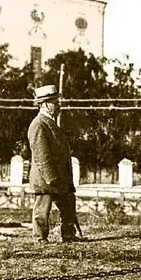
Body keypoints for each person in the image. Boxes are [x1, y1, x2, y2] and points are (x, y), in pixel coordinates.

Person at [27, 84, 79, 243]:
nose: (58, 105)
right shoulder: (39, 125)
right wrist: (51, 178)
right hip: (46, 179)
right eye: (54, 102)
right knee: (42, 211)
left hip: (59, 178)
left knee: (68, 206)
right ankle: (40, 239)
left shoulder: (51, 123)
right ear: (44, 105)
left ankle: (69, 235)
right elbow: (42, 156)